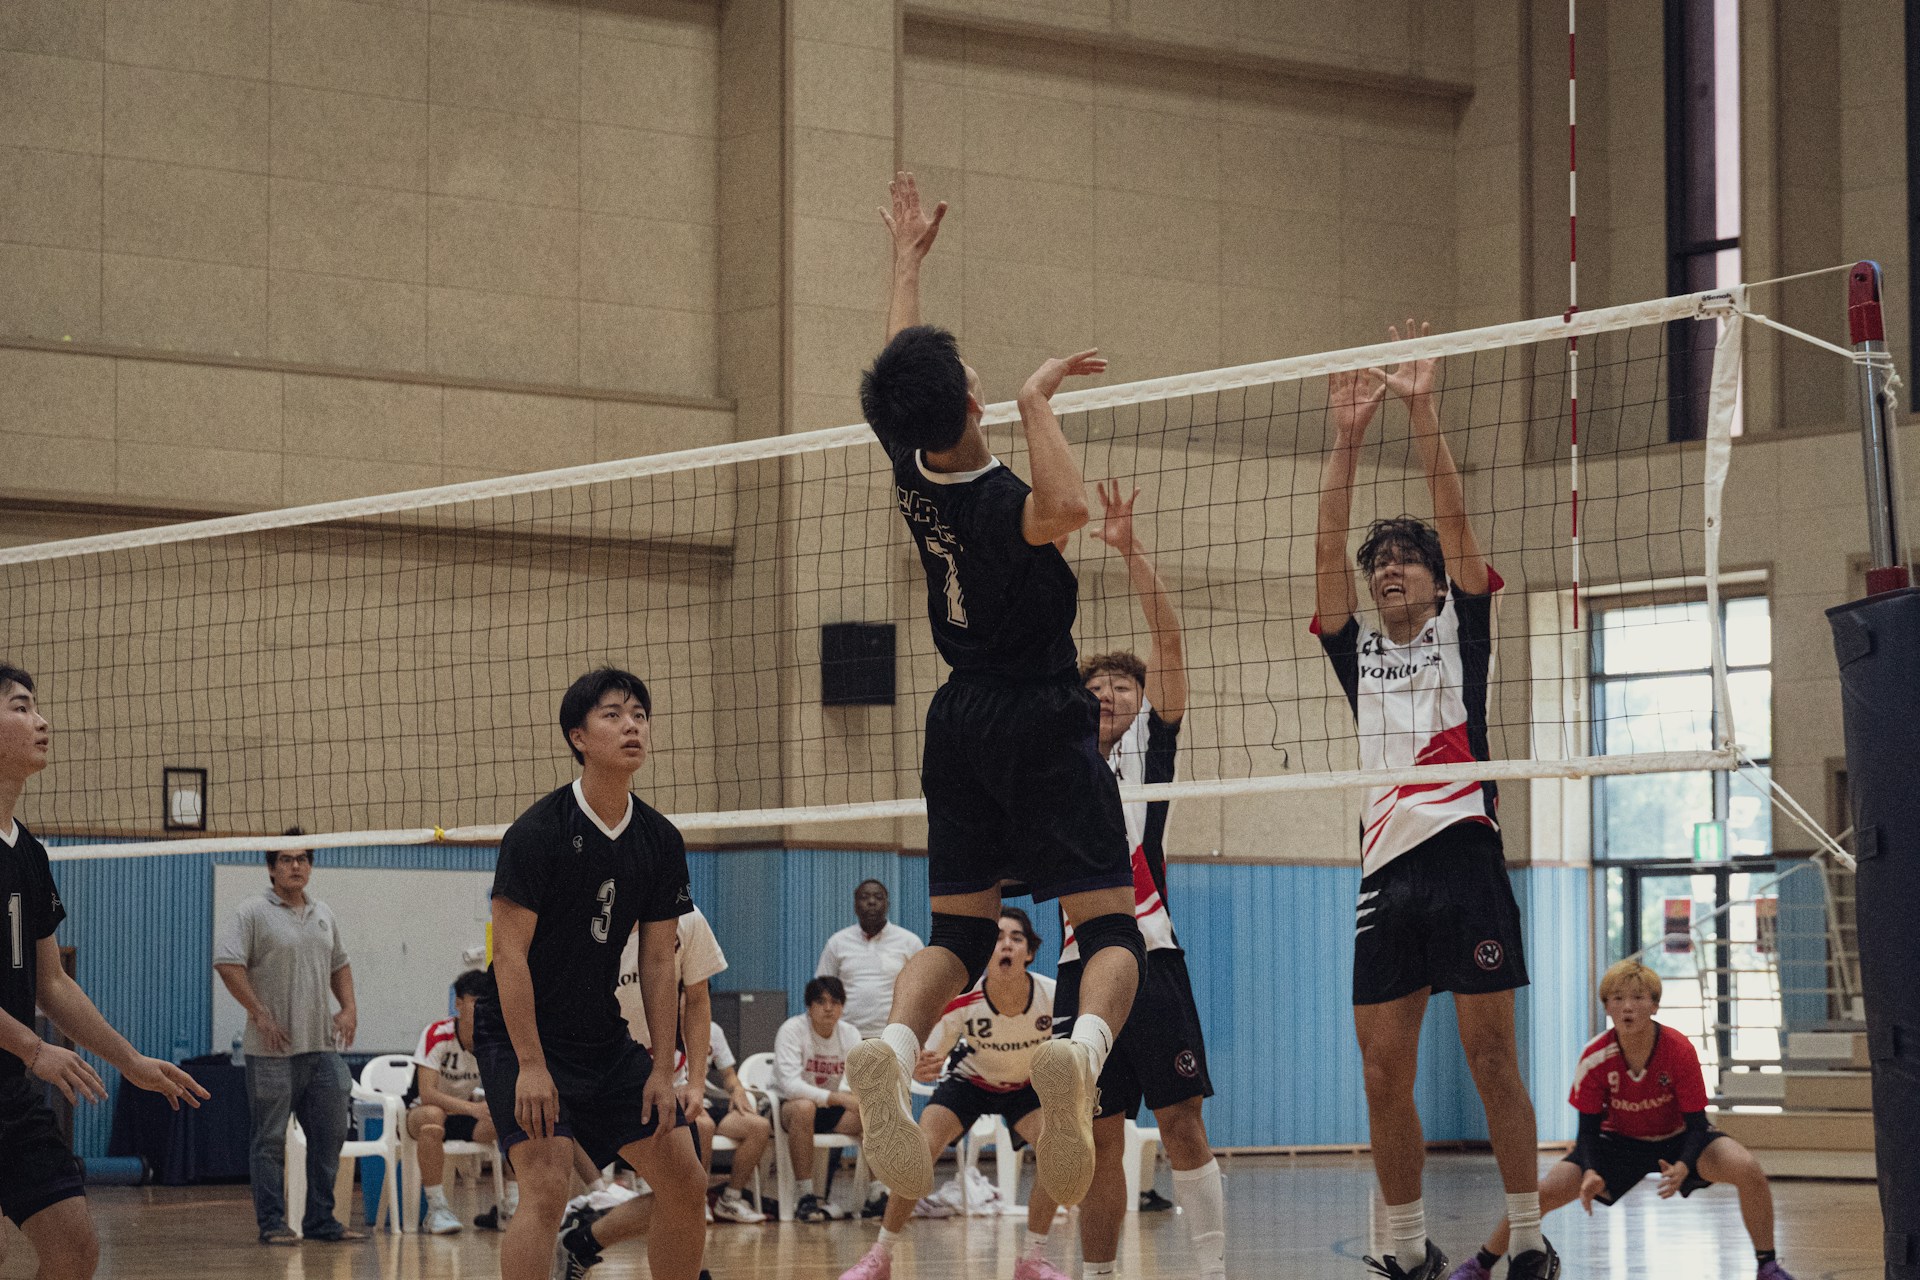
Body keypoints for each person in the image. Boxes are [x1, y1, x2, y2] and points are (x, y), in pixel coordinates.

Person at [845, 170, 1146, 1213]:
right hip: (1040, 711)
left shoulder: (911, 462)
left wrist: (905, 262)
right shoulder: (1006, 502)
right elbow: (1068, 505)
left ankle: (894, 1044)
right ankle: (1083, 1051)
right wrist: (1037, 401)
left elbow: (903, 370)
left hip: (958, 716)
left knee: (960, 933)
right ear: (973, 403)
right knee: (1110, 927)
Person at [1312, 328, 1551, 1280]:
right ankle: (1408, 1252)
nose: (1389, 569)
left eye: (1407, 559)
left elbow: (1454, 516)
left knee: (1491, 1057)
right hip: (1385, 871)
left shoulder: (1464, 627)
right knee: (1382, 1070)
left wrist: (1421, 410)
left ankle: (1528, 1239)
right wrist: (1346, 439)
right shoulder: (1355, 649)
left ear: (1437, 577)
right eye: (1381, 562)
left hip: (1463, 853)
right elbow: (1325, 545)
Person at [474, 667, 707, 1280]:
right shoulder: (536, 833)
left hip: (601, 1037)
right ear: (578, 737)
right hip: (522, 1037)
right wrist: (531, 1065)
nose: (632, 726)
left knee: (685, 1179)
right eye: (613, 715)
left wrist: (663, 1068)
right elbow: (510, 957)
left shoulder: (660, 839)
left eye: (640, 715)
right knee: (547, 1184)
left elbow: (659, 961)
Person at [1059, 481, 1226, 1280]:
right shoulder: (1060, 765)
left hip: (1151, 952)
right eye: (1096, 687)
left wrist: (1130, 552)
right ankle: (1096, 1273)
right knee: (1097, 1137)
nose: (1108, 694)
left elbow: (1171, 644)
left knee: (1182, 1119)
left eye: (1123, 686)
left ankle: (1211, 1271)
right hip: (1077, 964)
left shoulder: (1148, 751)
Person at [0, 662, 209, 1278]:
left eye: (36, 706)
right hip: (21, 1058)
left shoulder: (29, 852)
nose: (42, 721)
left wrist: (131, 1062)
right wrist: (34, 1048)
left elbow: (52, 983)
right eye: (20, 707)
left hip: (9, 1089)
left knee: (74, 1249)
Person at [1451, 961, 1796, 1280]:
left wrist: (1684, 1165)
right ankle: (1480, 1265)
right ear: (1607, 1007)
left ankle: (1767, 1266)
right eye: (1617, 998)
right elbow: (1587, 1133)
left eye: (1638, 998)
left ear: (1654, 1005)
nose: (1627, 1006)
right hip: (1618, 1143)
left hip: (1679, 1138)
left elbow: (1697, 1123)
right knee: (1542, 1192)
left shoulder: (1679, 1050)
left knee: (1747, 1169)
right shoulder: (1595, 1056)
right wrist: (1590, 1170)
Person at [840, 909, 1069, 1280]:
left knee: (1057, 1146)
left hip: (1025, 1087)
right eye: (997, 938)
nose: (1006, 945)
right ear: (985, 952)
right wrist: (921, 1065)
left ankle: (1032, 1258)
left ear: (1029, 952)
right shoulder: (965, 999)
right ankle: (880, 1256)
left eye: (1016, 938)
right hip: (970, 1081)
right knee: (921, 1146)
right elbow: (929, 1055)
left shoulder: (1054, 996)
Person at [555, 899, 757, 1270]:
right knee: (549, 1189)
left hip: (646, 1075)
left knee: (685, 1188)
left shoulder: (687, 918)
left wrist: (696, 1083)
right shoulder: (581, 907)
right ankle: (582, 1229)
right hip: (585, 1062)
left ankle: (584, 1241)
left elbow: (698, 998)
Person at [214, 826, 365, 1245]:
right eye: (286, 859)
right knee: (269, 1141)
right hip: (271, 1052)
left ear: (310, 866)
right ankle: (273, 1224)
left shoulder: (323, 913)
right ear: (271, 868)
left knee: (330, 1135)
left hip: (322, 1048)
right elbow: (227, 963)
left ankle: (321, 1220)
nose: (295, 866)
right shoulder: (252, 912)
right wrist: (258, 1012)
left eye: (302, 859)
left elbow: (340, 964)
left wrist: (349, 1008)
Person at [408, 969, 512, 1234]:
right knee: (433, 1115)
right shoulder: (437, 1034)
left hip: (464, 1116)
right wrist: (474, 1108)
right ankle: (436, 1209)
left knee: (514, 1121)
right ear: (459, 1003)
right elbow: (427, 1093)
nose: (483, 1009)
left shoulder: (493, 1040)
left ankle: (511, 1205)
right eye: (476, 1002)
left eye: (488, 1002)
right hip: (419, 1113)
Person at [773, 976, 864, 1221]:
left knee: (874, 1113)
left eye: (835, 1002)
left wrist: (847, 1097)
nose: (828, 1008)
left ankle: (876, 1194)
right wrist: (838, 1098)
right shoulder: (792, 1030)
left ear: (842, 1006)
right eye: (821, 1002)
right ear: (809, 1006)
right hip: (788, 1108)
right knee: (804, 1108)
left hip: (830, 1108)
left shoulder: (850, 1034)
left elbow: (855, 1079)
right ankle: (806, 1196)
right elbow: (790, 1086)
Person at [686, 1018, 771, 1224]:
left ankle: (730, 1199)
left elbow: (729, 1075)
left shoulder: (712, 1030)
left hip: (703, 1102)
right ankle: (697, 1200)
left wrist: (737, 1089)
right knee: (704, 1125)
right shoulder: (661, 1026)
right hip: (674, 1104)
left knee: (759, 1126)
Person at [816, 880, 924, 1036]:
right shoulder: (837, 942)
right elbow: (823, 989)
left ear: (888, 905)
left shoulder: (910, 942)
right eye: (864, 897)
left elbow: (923, 990)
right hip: (847, 1036)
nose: (871, 902)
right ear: (855, 906)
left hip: (894, 1034)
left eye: (878, 897)